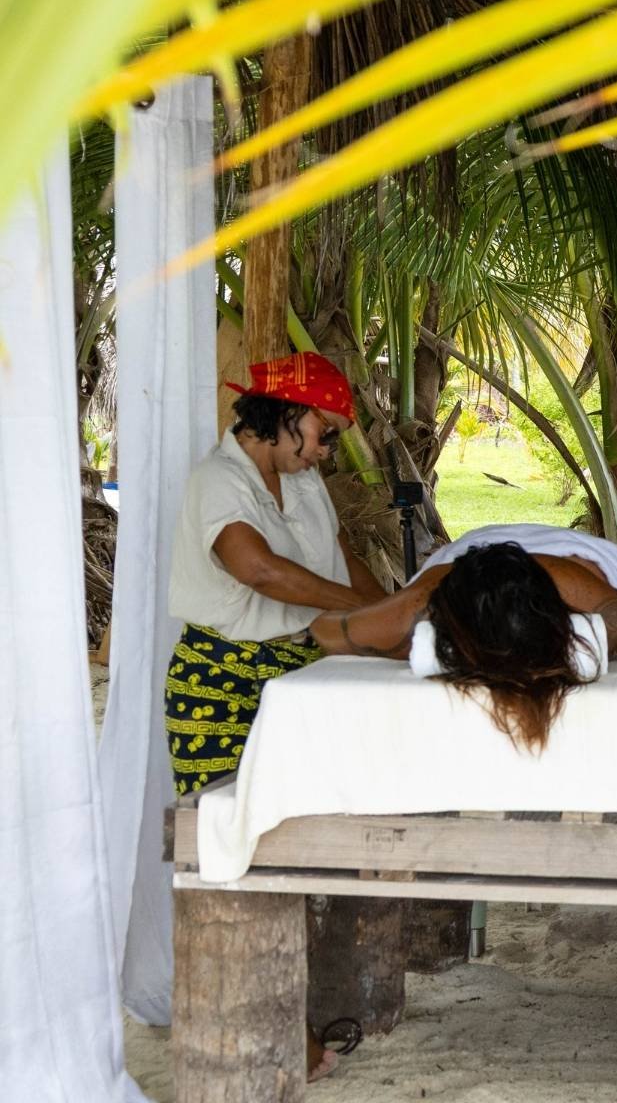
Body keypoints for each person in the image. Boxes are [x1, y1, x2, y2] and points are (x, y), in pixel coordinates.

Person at [164, 350, 383, 1082]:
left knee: (300, 841)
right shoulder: (217, 479)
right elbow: (254, 568)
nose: (328, 448)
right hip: (218, 683)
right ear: (284, 417)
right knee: (229, 854)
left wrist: (396, 609)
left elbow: (343, 560)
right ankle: (266, 1036)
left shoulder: (305, 480)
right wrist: (365, 611)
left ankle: (300, 1027)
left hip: (294, 672)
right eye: (324, 432)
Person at [308, 523, 617, 750]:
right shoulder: (419, 604)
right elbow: (326, 629)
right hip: (473, 551)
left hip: (577, 556)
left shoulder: (594, 603)